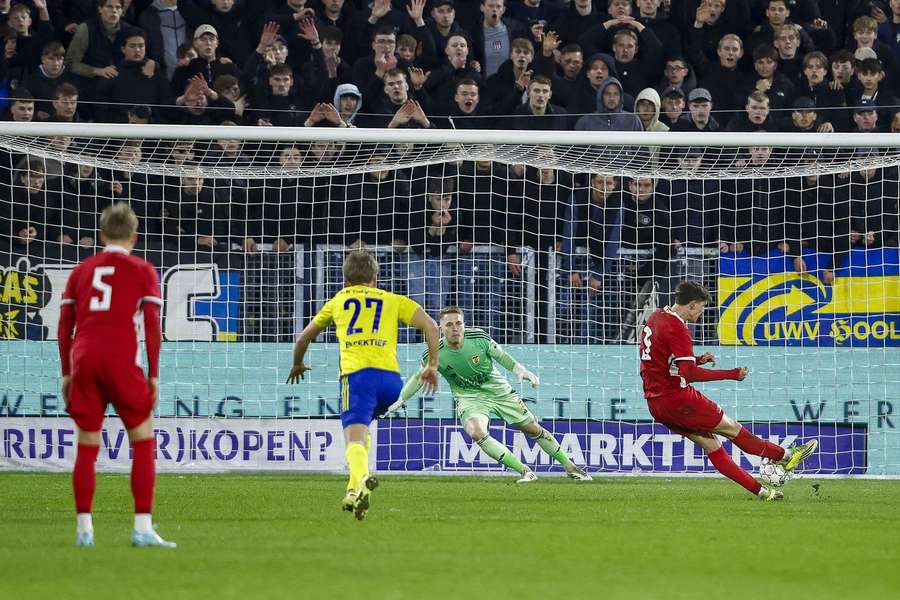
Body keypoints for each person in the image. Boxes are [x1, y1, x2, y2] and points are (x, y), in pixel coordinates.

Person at [287, 250, 440, 520]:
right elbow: (430, 325)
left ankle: (364, 477)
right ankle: (354, 491)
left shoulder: (338, 300)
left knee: (353, 440)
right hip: (392, 383)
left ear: (345, 279)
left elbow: (303, 338)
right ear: (374, 278)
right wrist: (432, 366)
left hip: (358, 379)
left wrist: (298, 364)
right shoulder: (392, 299)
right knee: (365, 430)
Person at [57, 203, 175, 548]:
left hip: (85, 359)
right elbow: (152, 327)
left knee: (87, 446)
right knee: (142, 441)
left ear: (101, 234)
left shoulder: (82, 270)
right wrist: (153, 374)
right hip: (121, 360)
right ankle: (141, 527)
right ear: (134, 237)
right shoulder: (142, 270)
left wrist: (67, 372)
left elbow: (65, 327)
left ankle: (84, 531)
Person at [639, 280, 818, 501]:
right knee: (733, 429)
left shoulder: (656, 317)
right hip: (677, 399)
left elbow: (661, 360)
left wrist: (696, 359)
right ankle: (787, 456)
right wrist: (732, 374)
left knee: (712, 445)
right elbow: (689, 374)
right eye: (702, 307)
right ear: (693, 304)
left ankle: (763, 492)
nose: (702, 313)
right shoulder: (678, 327)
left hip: (656, 404)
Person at [389, 306, 592, 482]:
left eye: (458, 323)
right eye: (449, 325)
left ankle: (570, 467)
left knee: (532, 429)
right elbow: (419, 377)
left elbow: (501, 356)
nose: (454, 328)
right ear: (441, 329)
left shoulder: (478, 338)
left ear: (464, 325)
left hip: (498, 390)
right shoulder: (434, 352)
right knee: (476, 432)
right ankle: (524, 471)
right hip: (469, 397)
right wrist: (400, 398)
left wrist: (520, 370)